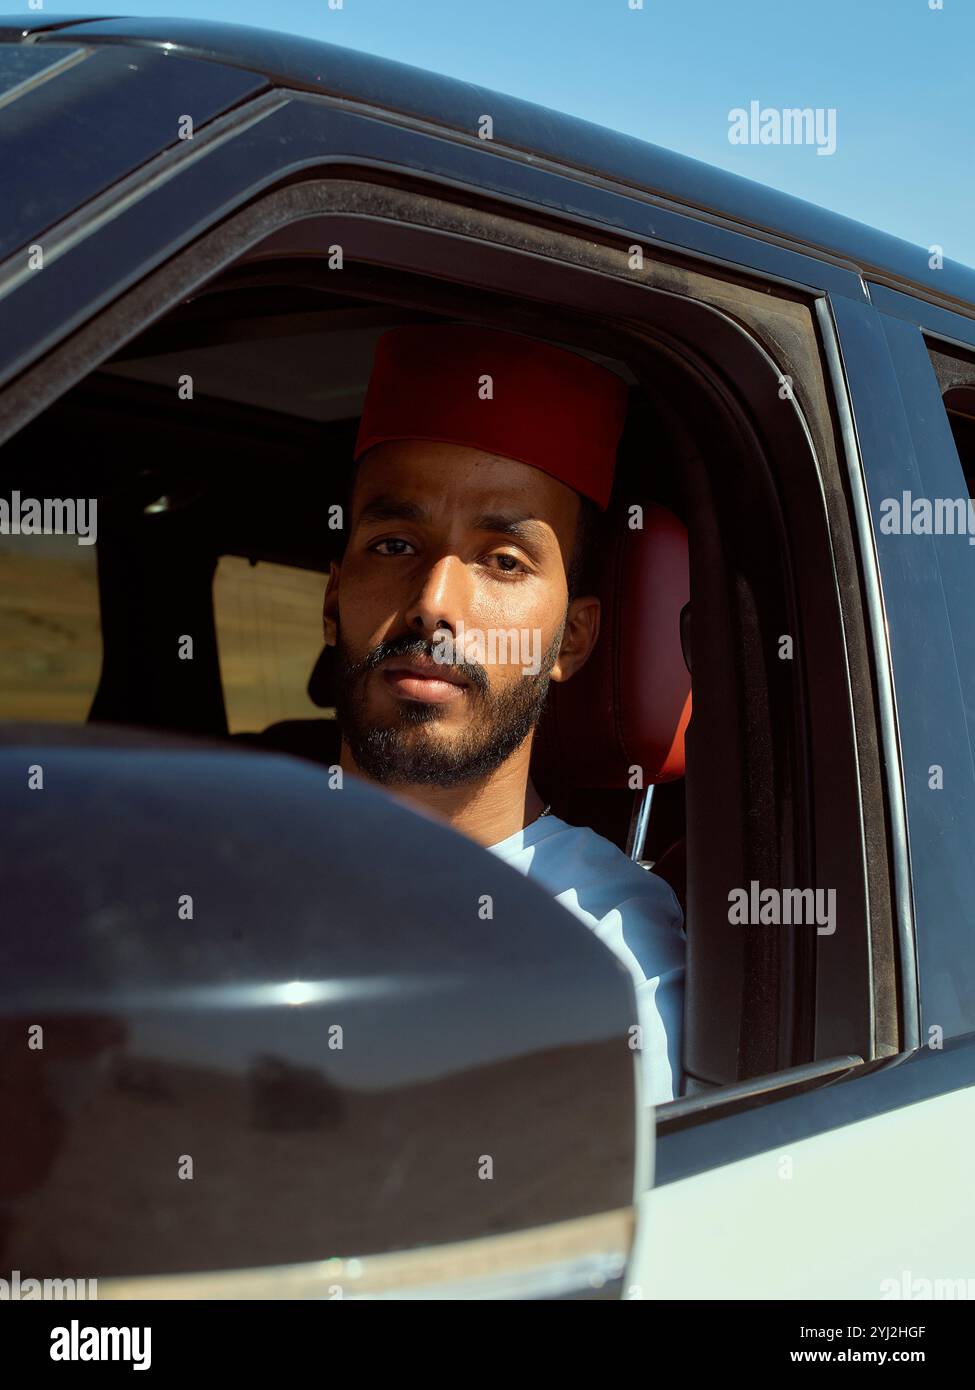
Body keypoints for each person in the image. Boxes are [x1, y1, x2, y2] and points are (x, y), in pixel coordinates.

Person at [322, 322, 685, 1105]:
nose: (431, 605)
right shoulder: (204, 851)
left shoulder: (600, 952)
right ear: (331, 602)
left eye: (502, 561)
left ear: (572, 639)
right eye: (393, 545)